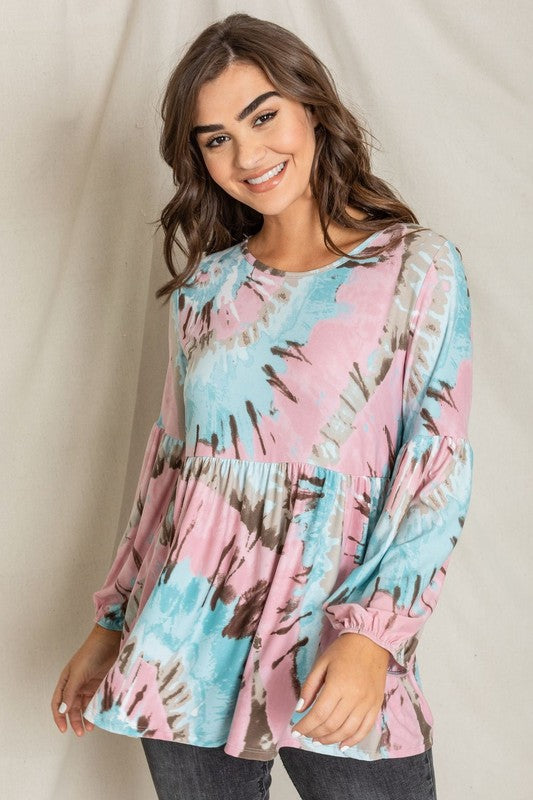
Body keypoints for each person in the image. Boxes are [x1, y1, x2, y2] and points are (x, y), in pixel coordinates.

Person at [51, 12, 474, 800]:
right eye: (215, 138)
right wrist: (111, 624)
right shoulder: (205, 291)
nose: (246, 155)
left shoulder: (415, 268)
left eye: (262, 116)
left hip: (332, 641)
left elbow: (434, 468)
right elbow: (169, 472)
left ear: (311, 106)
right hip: (181, 641)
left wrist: (373, 638)